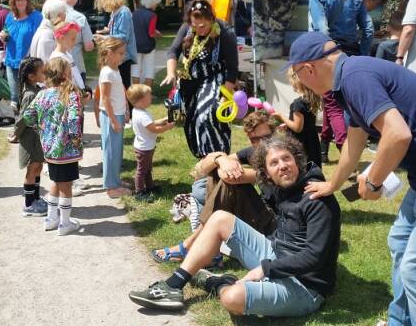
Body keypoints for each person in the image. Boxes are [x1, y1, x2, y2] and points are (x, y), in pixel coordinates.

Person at [290, 32, 416, 326]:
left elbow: (397, 134)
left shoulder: (354, 77)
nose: (303, 85)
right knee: (399, 241)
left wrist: (373, 180)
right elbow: (355, 140)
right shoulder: (349, 78)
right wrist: (333, 185)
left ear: (308, 69)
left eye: (299, 76)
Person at [129, 135, 340, 317]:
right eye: (274, 163)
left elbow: (315, 256)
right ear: (266, 173)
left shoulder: (317, 199)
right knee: (221, 218)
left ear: (298, 161)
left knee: (232, 298)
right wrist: (221, 159)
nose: (282, 165)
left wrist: (265, 269)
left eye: (286, 158)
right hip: (278, 255)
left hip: (305, 287)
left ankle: (218, 283)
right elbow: (205, 170)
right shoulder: (281, 187)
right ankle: (172, 286)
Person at [152, 111, 277, 263]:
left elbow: (229, 176)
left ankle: (190, 246)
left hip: (273, 224)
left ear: (275, 133)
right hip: (259, 212)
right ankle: (210, 251)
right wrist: (221, 159)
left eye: (266, 137)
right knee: (210, 180)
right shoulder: (253, 152)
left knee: (224, 182)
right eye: (255, 139)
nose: (261, 143)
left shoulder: (283, 159)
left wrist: (220, 163)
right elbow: (200, 168)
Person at [308, 0, 373, 164]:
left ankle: (347, 155)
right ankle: (323, 149)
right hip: (352, 52)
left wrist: (326, 54)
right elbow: (369, 29)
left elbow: (322, 28)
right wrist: (361, 52)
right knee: (335, 101)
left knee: (335, 105)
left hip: (330, 53)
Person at [162, 0, 238, 158]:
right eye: (194, 25)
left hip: (215, 80)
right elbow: (173, 52)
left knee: (207, 116)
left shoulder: (225, 32)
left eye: (202, 26)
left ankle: (218, 157)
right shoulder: (187, 29)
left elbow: (232, 69)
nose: (198, 29)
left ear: (211, 18)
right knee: (191, 121)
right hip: (191, 82)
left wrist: (225, 97)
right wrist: (170, 73)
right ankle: (203, 157)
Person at [23, 58, 83, 236]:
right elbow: (73, 120)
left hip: (49, 149)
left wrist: (42, 129)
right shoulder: (71, 94)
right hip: (67, 149)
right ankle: (65, 223)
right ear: (65, 74)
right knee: (66, 185)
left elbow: (28, 115)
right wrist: (76, 139)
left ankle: (51, 219)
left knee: (56, 182)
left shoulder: (42, 94)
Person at [50, 21, 91, 195]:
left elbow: (75, 77)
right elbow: (64, 83)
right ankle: (69, 182)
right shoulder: (58, 58)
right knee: (70, 142)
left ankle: (73, 178)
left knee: (76, 140)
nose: (75, 41)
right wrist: (78, 98)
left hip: (76, 100)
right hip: (69, 105)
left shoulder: (67, 53)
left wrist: (83, 92)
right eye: (72, 38)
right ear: (60, 37)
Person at [126, 84, 175, 202]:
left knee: (147, 169)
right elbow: (153, 129)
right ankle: (139, 192)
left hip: (145, 146)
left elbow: (151, 123)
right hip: (144, 148)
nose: (151, 97)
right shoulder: (142, 115)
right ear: (142, 101)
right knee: (142, 171)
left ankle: (149, 187)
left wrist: (163, 120)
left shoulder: (139, 111)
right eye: (149, 96)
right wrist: (167, 127)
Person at [97, 37, 131, 198]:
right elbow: (105, 99)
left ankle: (115, 180)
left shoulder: (115, 69)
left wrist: (126, 109)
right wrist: (112, 120)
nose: (123, 56)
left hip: (117, 113)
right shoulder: (107, 72)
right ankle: (111, 187)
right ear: (109, 53)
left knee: (117, 151)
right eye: (120, 53)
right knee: (110, 151)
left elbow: (121, 90)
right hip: (111, 116)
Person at [0, 0, 42, 110]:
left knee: (29, 94)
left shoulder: (36, 16)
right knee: (14, 95)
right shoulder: (9, 17)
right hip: (11, 60)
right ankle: (19, 125)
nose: (21, 2)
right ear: (13, 2)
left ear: (27, 1)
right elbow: (5, 31)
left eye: (23, 0)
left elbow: (40, 36)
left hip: (29, 62)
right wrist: (2, 35)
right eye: (18, 0)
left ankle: (30, 123)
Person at [15, 57, 47, 216]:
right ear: (32, 76)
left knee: (38, 166)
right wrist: (15, 134)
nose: (45, 72)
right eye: (42, 71)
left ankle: (36, 198)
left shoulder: (37, 89)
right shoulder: (29, 94)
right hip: (30, 138)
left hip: (38, 137)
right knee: (32, 168)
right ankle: (28, 205)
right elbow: (23, 119)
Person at [273, 69, 322, 167]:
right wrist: (287, 124)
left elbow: (297, 128)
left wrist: (281, 116)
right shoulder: (311, 100)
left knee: (302, 168)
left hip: (301, 144)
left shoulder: (298, 103)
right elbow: (304, 123)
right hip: (312, 141)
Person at [93, 0, 137, 90]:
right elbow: (117, 30)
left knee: (123, 85)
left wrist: (104, 38)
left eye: (103, 3)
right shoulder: (115, 13)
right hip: (116, 54)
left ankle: (127, 106)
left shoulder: (123, 13)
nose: (103, 6)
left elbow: (123, 36)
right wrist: (106, 31)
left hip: (123, 55)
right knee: (116, 85)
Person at [59, 0, 94, 87]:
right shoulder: (80, 17)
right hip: (76, 65)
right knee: (77, 99)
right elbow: (89, 46)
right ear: (75, 0)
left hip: (56, 65)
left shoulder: (52, 17)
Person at [131, 0, 162, 87]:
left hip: (135, 45)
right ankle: (147, 93)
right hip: (148, 46)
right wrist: (158, 34)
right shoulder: (152, 15)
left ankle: (135, 92)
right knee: (149, 69)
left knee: (135, 69)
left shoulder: (134, 13)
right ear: (152, 3)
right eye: (156, 4)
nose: (156, 5)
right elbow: (151, 33)